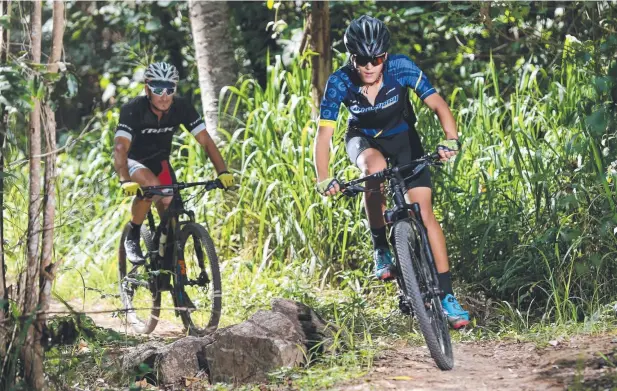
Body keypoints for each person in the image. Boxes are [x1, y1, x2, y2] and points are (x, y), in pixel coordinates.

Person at [313, 16, 469, 328]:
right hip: (364, 140)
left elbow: (438, 105)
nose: (370, 66)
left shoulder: (401, 67)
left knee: (424, 212)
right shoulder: (340, 82)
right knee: (374, 169)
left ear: (386, 55)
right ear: (352, 57)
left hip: (403, 139)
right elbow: (324, 136)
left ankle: (447, 296)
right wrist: (323, 177)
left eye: (377, 59)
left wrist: (450, 140)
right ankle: (381, 247)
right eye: (362, 60)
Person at [113, 61, 234, 265]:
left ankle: (171, 273)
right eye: (158, 89)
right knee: (152, 187)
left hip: (160, 162)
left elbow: (205, 141)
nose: (164, 95)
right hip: (132, 161)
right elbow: (120, 148)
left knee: (171, 215)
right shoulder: (133, 109)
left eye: (169, 89)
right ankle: (133, 234)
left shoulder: (181, 107)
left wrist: (222, 171)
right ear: (147, 89)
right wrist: (124, 180)